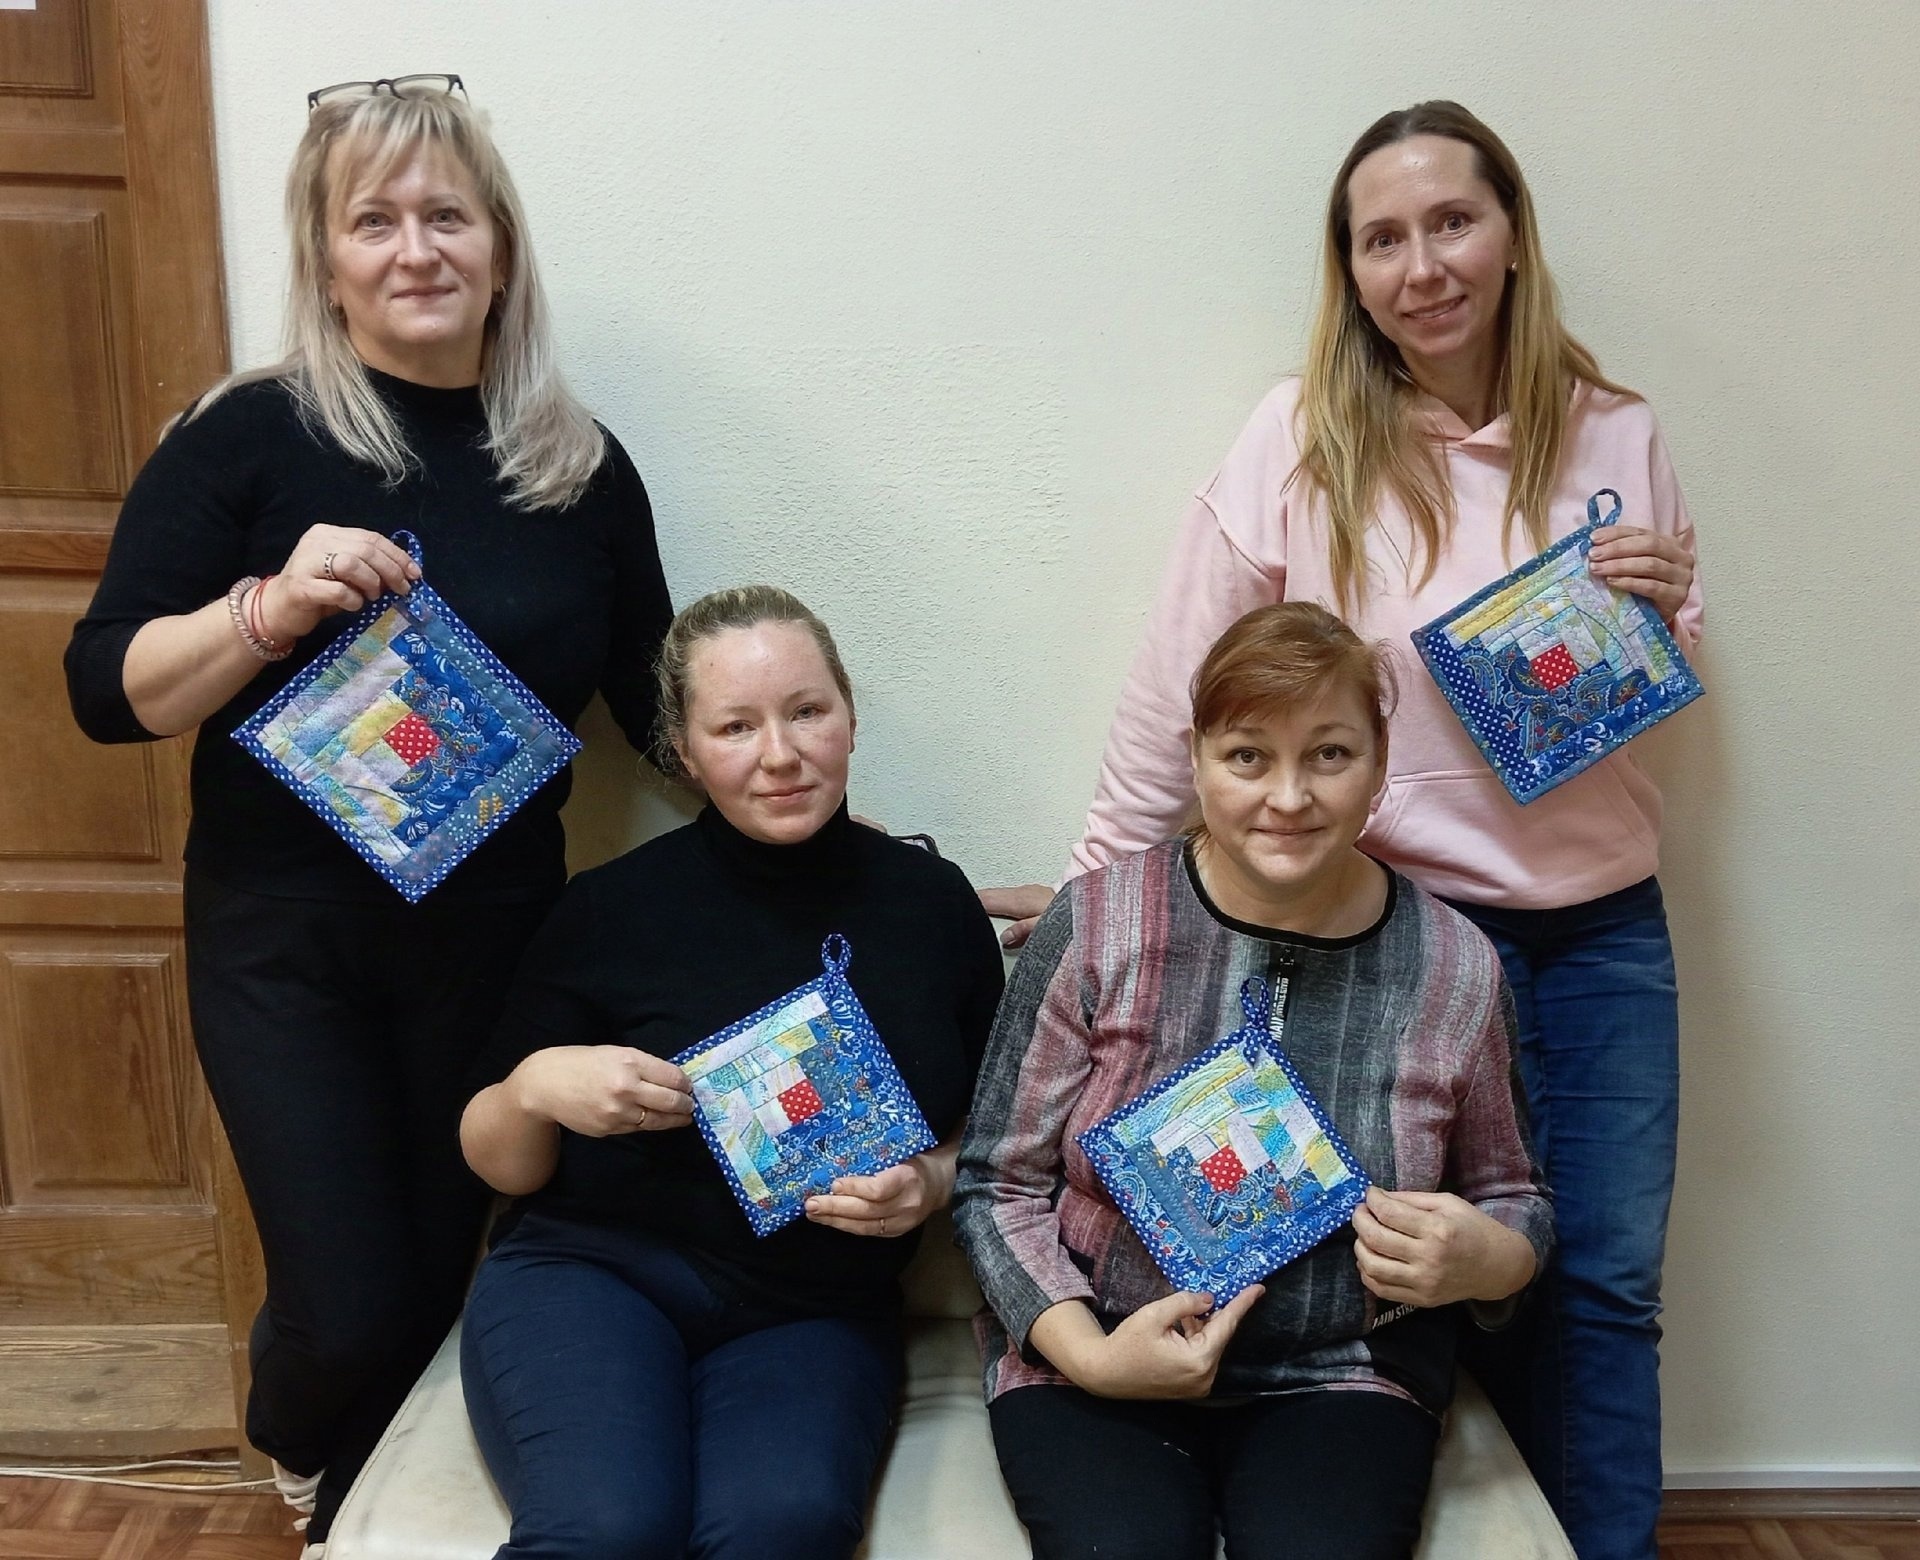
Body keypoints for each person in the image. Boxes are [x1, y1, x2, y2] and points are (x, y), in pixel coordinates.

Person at [983, 102, 1699, 1560]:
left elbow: (1661, 686)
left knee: (1598, 1284)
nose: (1422, 266)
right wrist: (1102, 907)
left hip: (1597, 933)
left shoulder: (1619, 432)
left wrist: (1670, 612)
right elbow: (1184, 692)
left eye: (1454, 223)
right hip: (1386, 940)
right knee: (1348, 1273)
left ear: (1514, 237)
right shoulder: (1299, 437)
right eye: (1383, 239)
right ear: (1350, 271)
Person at [63, 77, 673, 1551]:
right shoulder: (245, 438)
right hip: (288, 947)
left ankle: (362, 1517)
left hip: (499, 941)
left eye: (447, 215)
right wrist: (266, 610)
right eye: (374, 220)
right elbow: (107, 691)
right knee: (345, 1302)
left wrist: (836, 826)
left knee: (459, 1273)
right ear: (325, 259)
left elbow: (655, 704)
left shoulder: (576, 466)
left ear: (500, 250)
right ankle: (298, 1442)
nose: (416, 250)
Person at [954, 602, 1549, 1560]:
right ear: (1195, 761)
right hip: (1098, 1347)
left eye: (1329, 754)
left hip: (1341, 1371)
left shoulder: (1455, 965)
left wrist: (1491, 1262)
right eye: (1246, 756)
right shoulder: (1099, 926)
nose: (1289, 796)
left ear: (1379, 766)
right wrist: (1092, 1356)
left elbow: (1514, 1194)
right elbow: (997, 1184)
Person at [457, 586, 1006, 1560]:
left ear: (849, 717)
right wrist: (539, 1085)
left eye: (807, 711)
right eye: (736, 726)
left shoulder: (932, 906)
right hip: (596, 1275)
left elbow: (1005, 1141)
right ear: (683, 749)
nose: (781, 754)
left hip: (814, 1308)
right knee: (610, 1531)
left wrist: (928, 1181)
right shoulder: (611, 909)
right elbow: (497, 1162)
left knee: (782, 1530)